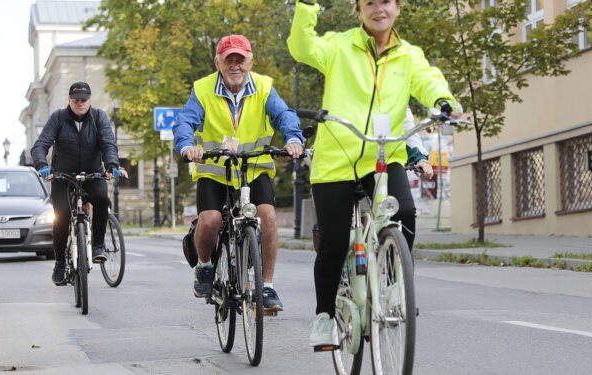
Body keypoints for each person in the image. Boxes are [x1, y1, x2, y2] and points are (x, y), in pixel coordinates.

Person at [288, 0, 460, 347]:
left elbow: (428, 80)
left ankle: (396, 287)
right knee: (334, 243)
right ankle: (324, 317)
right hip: (336, 157)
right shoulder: (339, 46)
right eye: (369, 3)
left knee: (405, 212)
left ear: (397, 8)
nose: (378, 8)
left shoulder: (409, 55)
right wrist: (307, 6)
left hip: (383, 154)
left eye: (385, 1)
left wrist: (443, 101)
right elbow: (302, 47)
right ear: (358, 10)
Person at [174, 34, 304, 312]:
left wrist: (293, 139)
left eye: (240, 59)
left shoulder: (265, 87)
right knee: (210, 220)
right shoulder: (203, 89)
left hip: (253, 168)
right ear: (218, 62)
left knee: (267, 217)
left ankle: (266, 286)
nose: (235, 65)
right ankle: (205, 266)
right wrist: (187, 146)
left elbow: (284, 115)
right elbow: (186, 121)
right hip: (215, 169)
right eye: (229, 59)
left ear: (250, 61)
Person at [31, 81, 128, 285]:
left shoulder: (99, 117)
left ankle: (98, 247)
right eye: (76, 100)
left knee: (101, 200)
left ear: (89, 100)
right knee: (62, 215)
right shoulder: (58, 117)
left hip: (93, 173)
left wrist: (111, 165)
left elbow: (108, 143)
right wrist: (42, 166)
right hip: (63, 176)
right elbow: (41, 144)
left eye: (84, 99)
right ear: (69, 100)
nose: (80, 103)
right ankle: (59, 263)